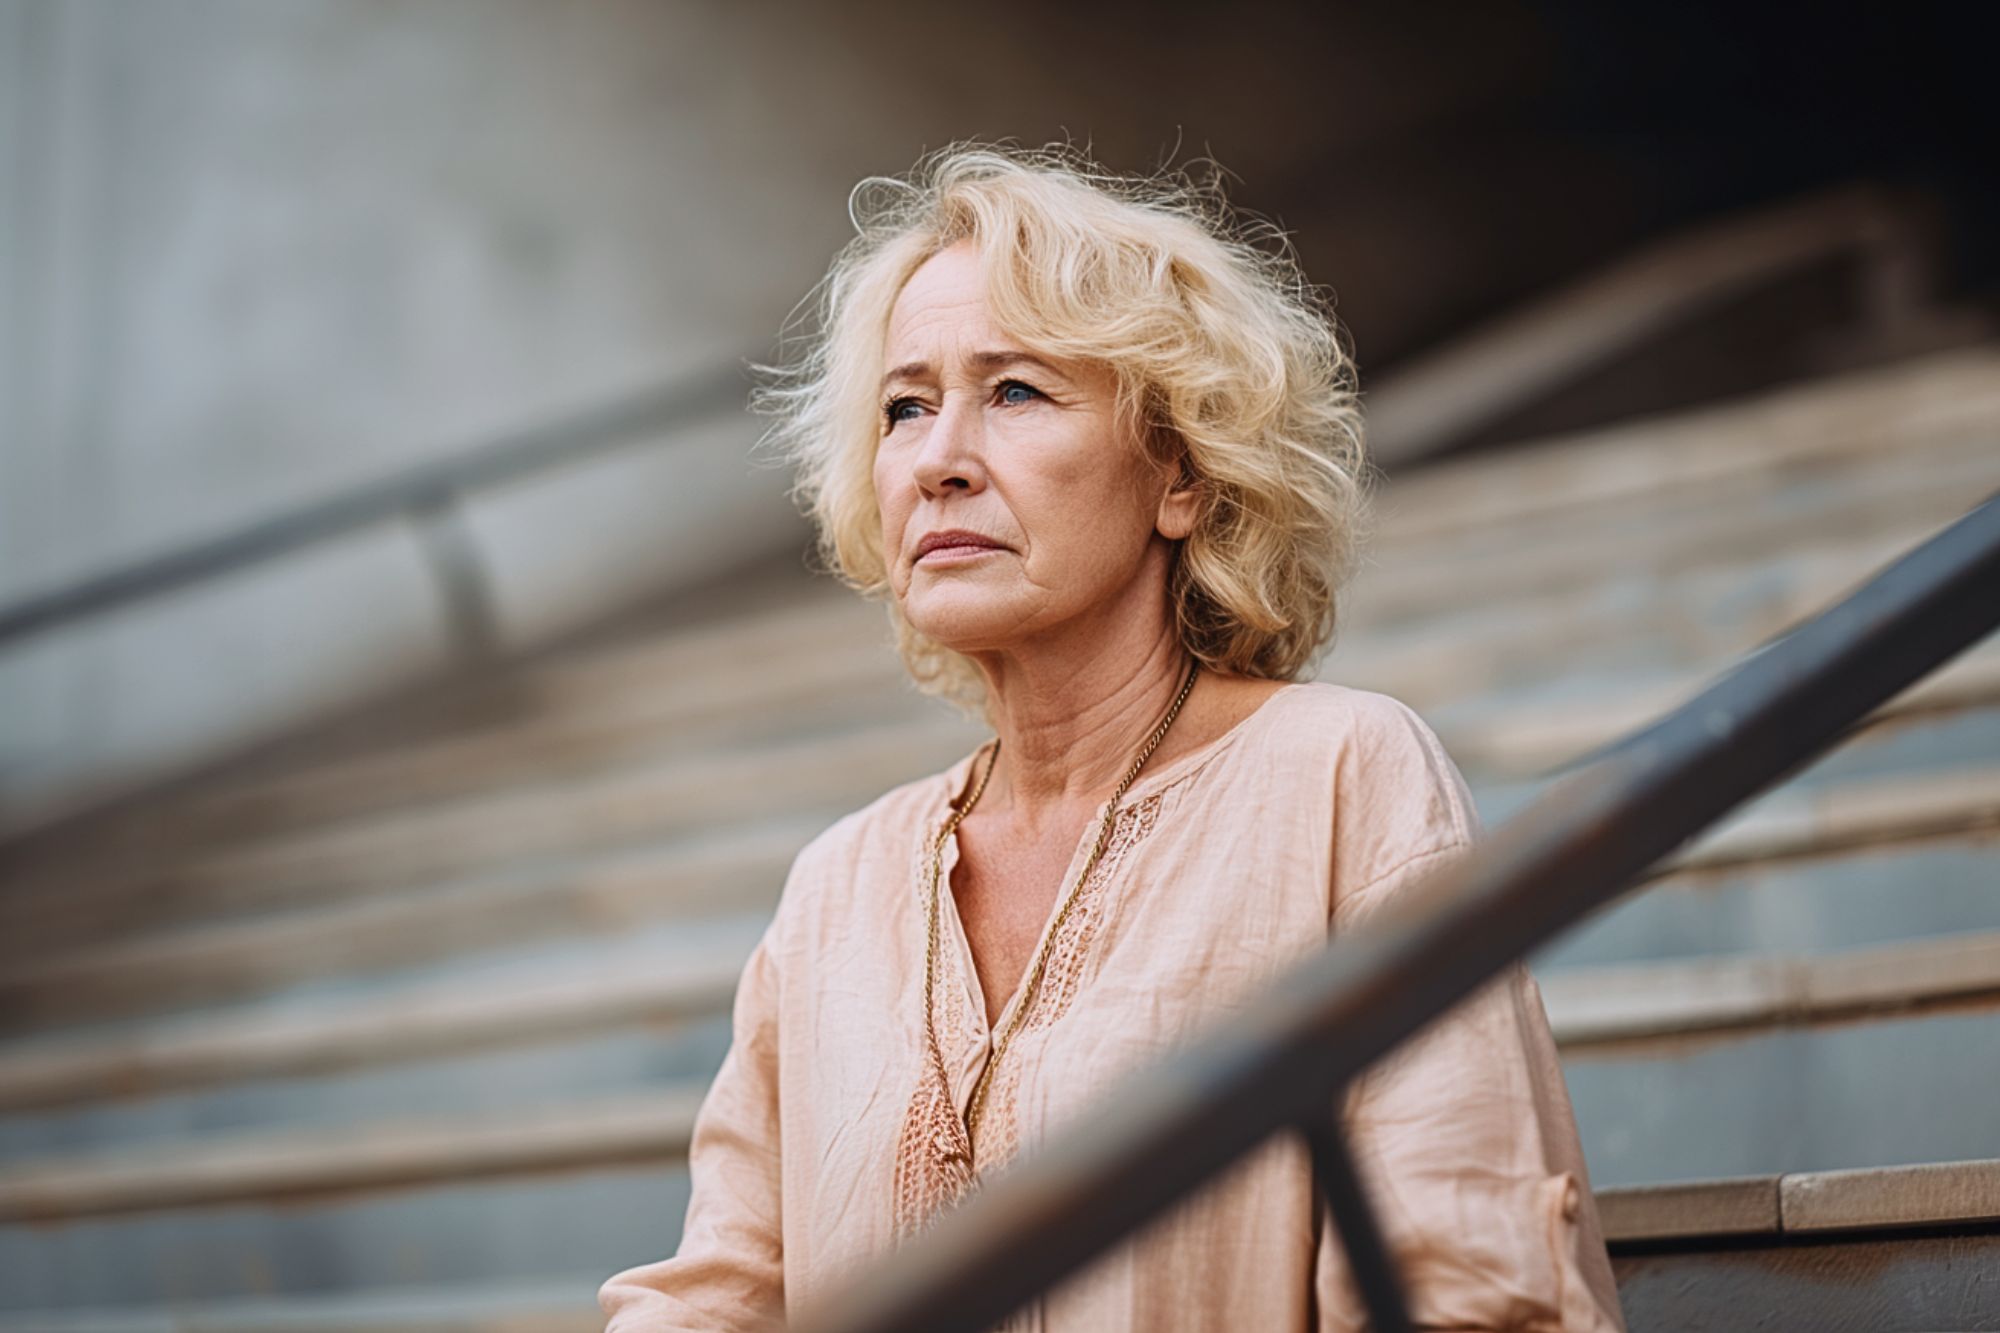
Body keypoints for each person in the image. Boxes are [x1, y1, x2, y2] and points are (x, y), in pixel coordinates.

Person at [599, 144, 1625, 1331]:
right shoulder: (837, 885)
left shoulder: (1340, 777)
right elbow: (723, 1294)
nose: (937, 461)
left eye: (1016, 391)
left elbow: (1464, 1282)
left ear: (1180, 474)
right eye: (904, 407)